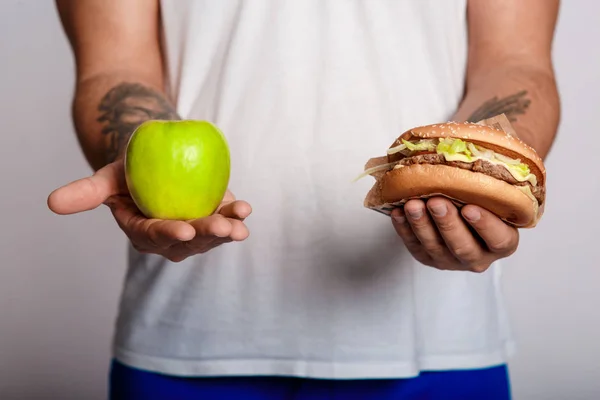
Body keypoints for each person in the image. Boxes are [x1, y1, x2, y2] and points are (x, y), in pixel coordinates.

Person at [49, 0, 560, 399]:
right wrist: (142, 166)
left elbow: (516, 62)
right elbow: (112, 66)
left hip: (439, 341)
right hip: (186, 337)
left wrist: (485, 176)